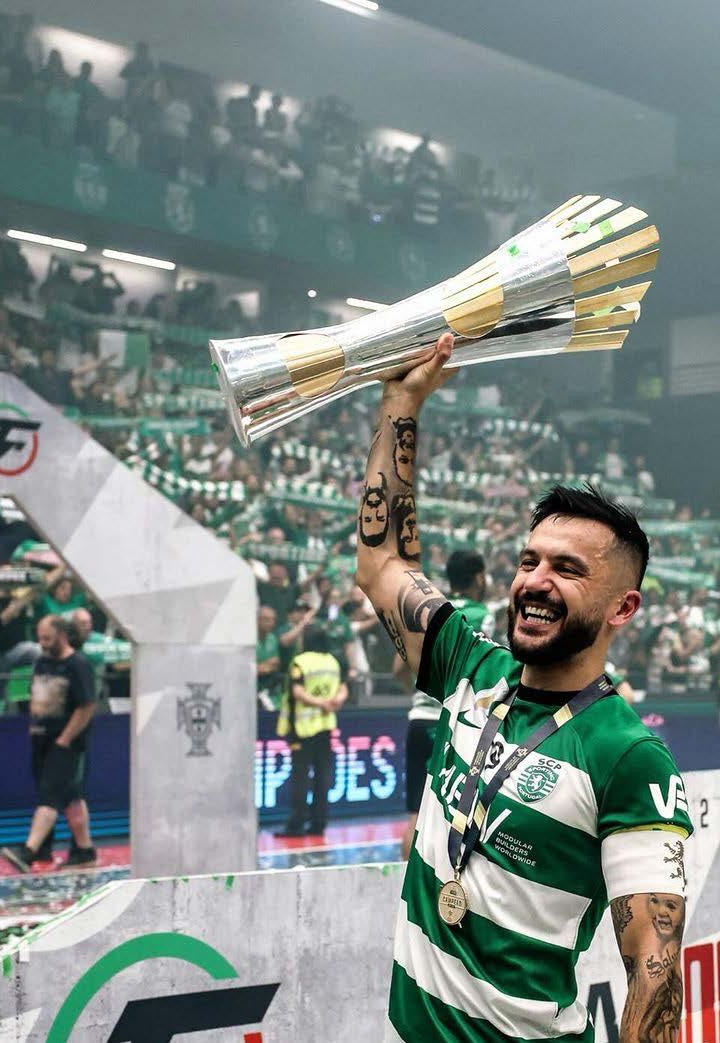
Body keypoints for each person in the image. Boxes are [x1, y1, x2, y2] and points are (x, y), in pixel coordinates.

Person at [355, 333, 692, 1042]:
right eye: (528, 560)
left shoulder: (628, 756)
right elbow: (382, 563)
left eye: (567, 569)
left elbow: (655, 976)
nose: (535, 581)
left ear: (624, 607)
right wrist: (401, 403)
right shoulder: (467, 669)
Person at [403, 548, 493, 858]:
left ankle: (404, 885)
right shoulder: (484, 615)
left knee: (416, 815)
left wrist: (425, 689)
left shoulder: (435, 613)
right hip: (457, 722)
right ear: (479, 578)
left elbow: (399, 667)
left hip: (418, 718)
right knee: (458, 816)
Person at [1, 615, 97, 872]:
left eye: (47, 638)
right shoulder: (42, 662)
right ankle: (84, 849)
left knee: (50, 796)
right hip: (41, 738)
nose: (42, 643)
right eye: (40, 638)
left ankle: (29, 850)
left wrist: (66, 738)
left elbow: (87, 705)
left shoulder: (78, 664)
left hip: (65, 742)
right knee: (71, 797)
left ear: (62, 636)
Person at [274, 623, 348, 838]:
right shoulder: (332, 661)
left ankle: (296, 825)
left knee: (301, 778)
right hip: (325, 727)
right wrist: (335, 701)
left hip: (302, 729)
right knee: (322, 776)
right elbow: (343, 688)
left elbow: (297, 692)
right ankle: (319, 823)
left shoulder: (301, 662)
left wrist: (319, 703)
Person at [256, 605, 281, 709]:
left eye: (273, 620)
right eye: (266, 619)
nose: (270, 623)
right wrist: (262, 667)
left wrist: (262, 666)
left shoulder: (272, 639)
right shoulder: (248, 641)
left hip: (269, 689)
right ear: (257, 620)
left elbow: (275, 663)